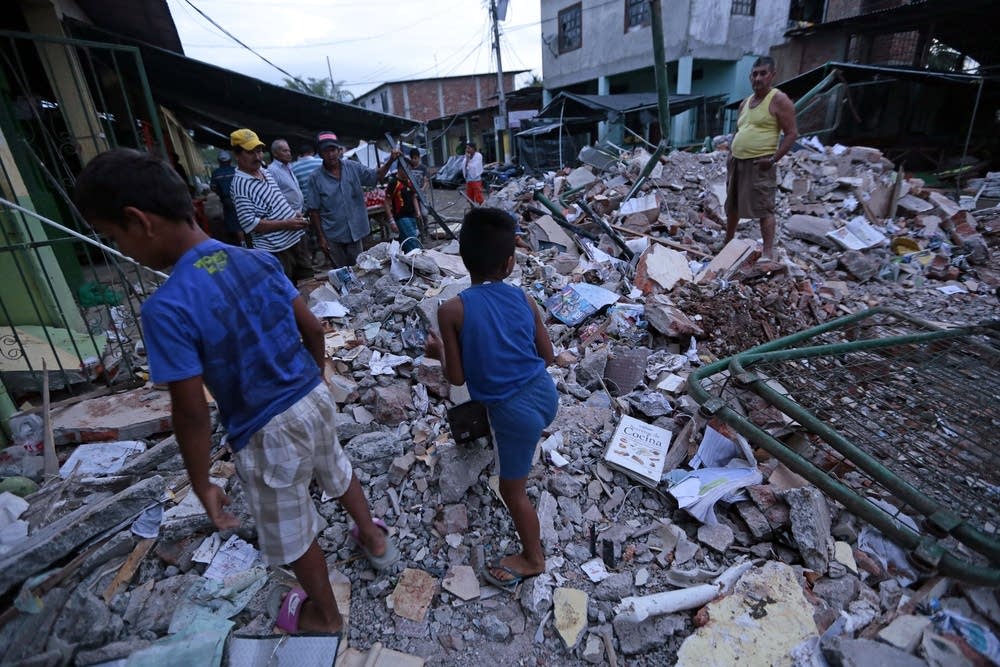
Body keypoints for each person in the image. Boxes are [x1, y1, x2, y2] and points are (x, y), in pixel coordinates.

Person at [73, 148, 398, 640]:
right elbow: (312, 327)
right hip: (312, 397)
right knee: (336, 467)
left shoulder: (168, 307)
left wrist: (202, 481)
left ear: (139, 222)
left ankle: (327, 618)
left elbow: (190, 410)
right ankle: (374, 539)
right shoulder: (257, 260)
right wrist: (312, 379)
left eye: (114, 237)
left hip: (265, 429)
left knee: (292, 529)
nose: (120, 246)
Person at [424, 207, 557, 590]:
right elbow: (547, 357)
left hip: (514, 413)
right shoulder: (524, 298)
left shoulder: (451, 309)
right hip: (545, 396)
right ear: (510, 262)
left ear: (462, 259)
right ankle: (513, 442)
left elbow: (456, 376)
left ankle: (532, 558)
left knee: (510, 490)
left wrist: (438, 354)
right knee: (505, 411)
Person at [725, 55, 798, 263]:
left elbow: (792, 133)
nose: (758, 78)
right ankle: (728, 242)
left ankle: (767, 253)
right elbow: (739, 130)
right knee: (732, 206)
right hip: (737, 161)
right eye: (755, 74)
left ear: (772, 75)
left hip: (760, 163)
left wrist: (773, 160)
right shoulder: (745, 103)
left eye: (763, 73)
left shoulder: (779, 100)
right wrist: (731, 152)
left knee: (764, 208)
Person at [228, 128, 314, 282]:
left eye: (259, 151)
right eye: (250, 152)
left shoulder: (264, 171)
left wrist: (293, 215)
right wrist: (285, 223)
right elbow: (250, 224)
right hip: (276, 251)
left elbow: (277, 200)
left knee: (309, 285)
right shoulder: (240, 185)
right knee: (288, 293)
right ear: (237, 154)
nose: (257, 156)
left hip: (295, 240)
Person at [305, 131, 399, 268]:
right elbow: (314, 210)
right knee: (341, 273)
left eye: (333, 150)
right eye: (326, 151)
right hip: (333, 235)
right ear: (320, 154)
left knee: (359, 270)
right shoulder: (315, 178)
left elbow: (375, 176)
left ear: (339, 151)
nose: (330, 154)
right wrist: (321, 238)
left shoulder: (352, 167)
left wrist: (391, 160)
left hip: (355, 231)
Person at [382, 162, 422, 253]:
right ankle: (416, 261)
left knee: (406, 243)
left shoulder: (409, 181)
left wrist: (418, 212)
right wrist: (391, 221)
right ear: (400, 169)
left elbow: (413, 197)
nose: (408, 172)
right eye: (406, 169)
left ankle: (406, 263)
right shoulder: (394, 182)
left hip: (412, 216)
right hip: (401, 217)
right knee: (413, 242)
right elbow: (386, 202)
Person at [209, 150, 244, 246]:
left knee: (234, 222)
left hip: (227, 200)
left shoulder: (216, 173)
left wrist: (221, 194)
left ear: (219, 161)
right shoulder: (236, 170)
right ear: (229, 160)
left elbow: (213, 188)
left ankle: (242, 244)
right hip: (241, 198)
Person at [268, 138, 304, 213]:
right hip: (287, 215)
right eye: (284, 151)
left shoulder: (288, 167)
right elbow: (273, 196)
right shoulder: (272, 170)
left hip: (298, 212)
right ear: (275, 153)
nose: (288, 153)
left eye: (289, 151)